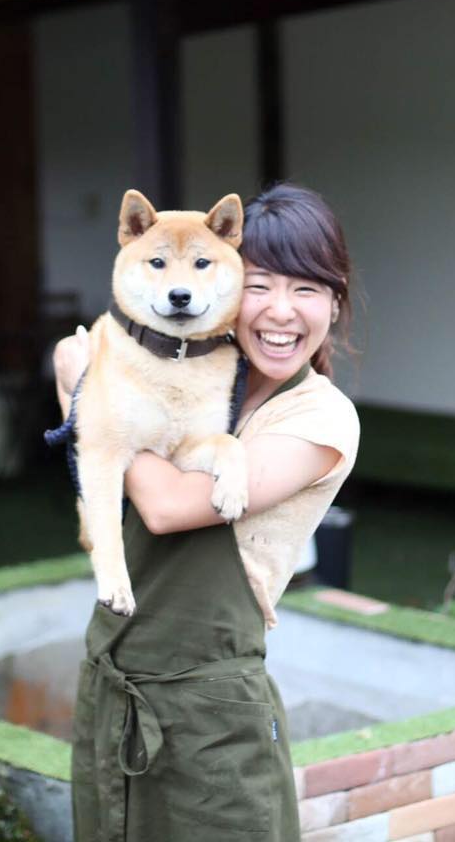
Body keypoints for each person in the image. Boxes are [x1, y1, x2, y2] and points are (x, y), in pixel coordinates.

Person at [53, 183, 360, 842]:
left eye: (307, 290)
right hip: (114, 687)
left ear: (335, 305)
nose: (281, 311)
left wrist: (83, 394)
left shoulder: (321, 416)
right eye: (262, 285)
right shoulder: (196, 376)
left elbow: (164, 506)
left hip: (212, 721)